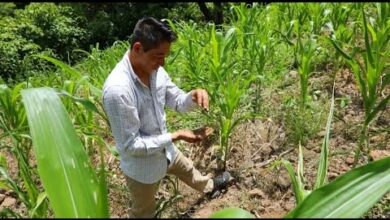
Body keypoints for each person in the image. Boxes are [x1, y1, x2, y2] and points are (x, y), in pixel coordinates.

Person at [102, 17, 231, 218]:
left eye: (165, 56)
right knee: (143, 211)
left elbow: (177, 100)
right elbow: (130, 145)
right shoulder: (118, 90)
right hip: (142, 169)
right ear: (138, 48)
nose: (162, 63)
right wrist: (175, 136)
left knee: (188, 170)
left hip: (167, 151)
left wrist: (193, 96)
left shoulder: (155, 70)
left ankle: (210, 186)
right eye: (158, 56)